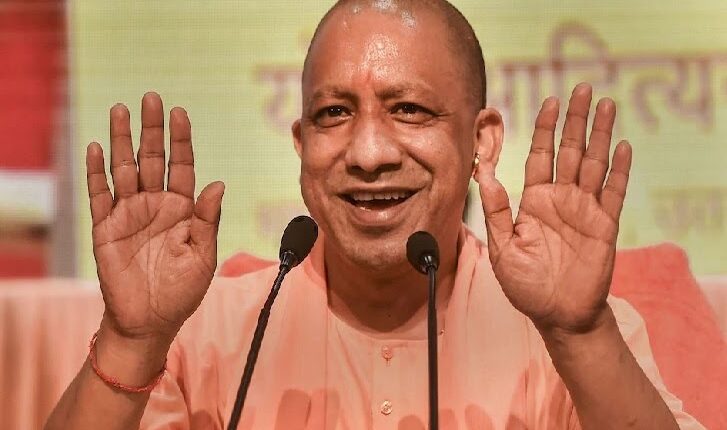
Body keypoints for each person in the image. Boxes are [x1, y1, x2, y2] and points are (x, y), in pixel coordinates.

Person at [46, 0, 704, 429]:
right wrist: (132, 342)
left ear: (480, 141)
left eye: (409, 110)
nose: (366, 153)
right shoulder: (204, 333)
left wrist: (581, 335)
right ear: (302, 144)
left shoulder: (564, 329)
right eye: (333, 114)